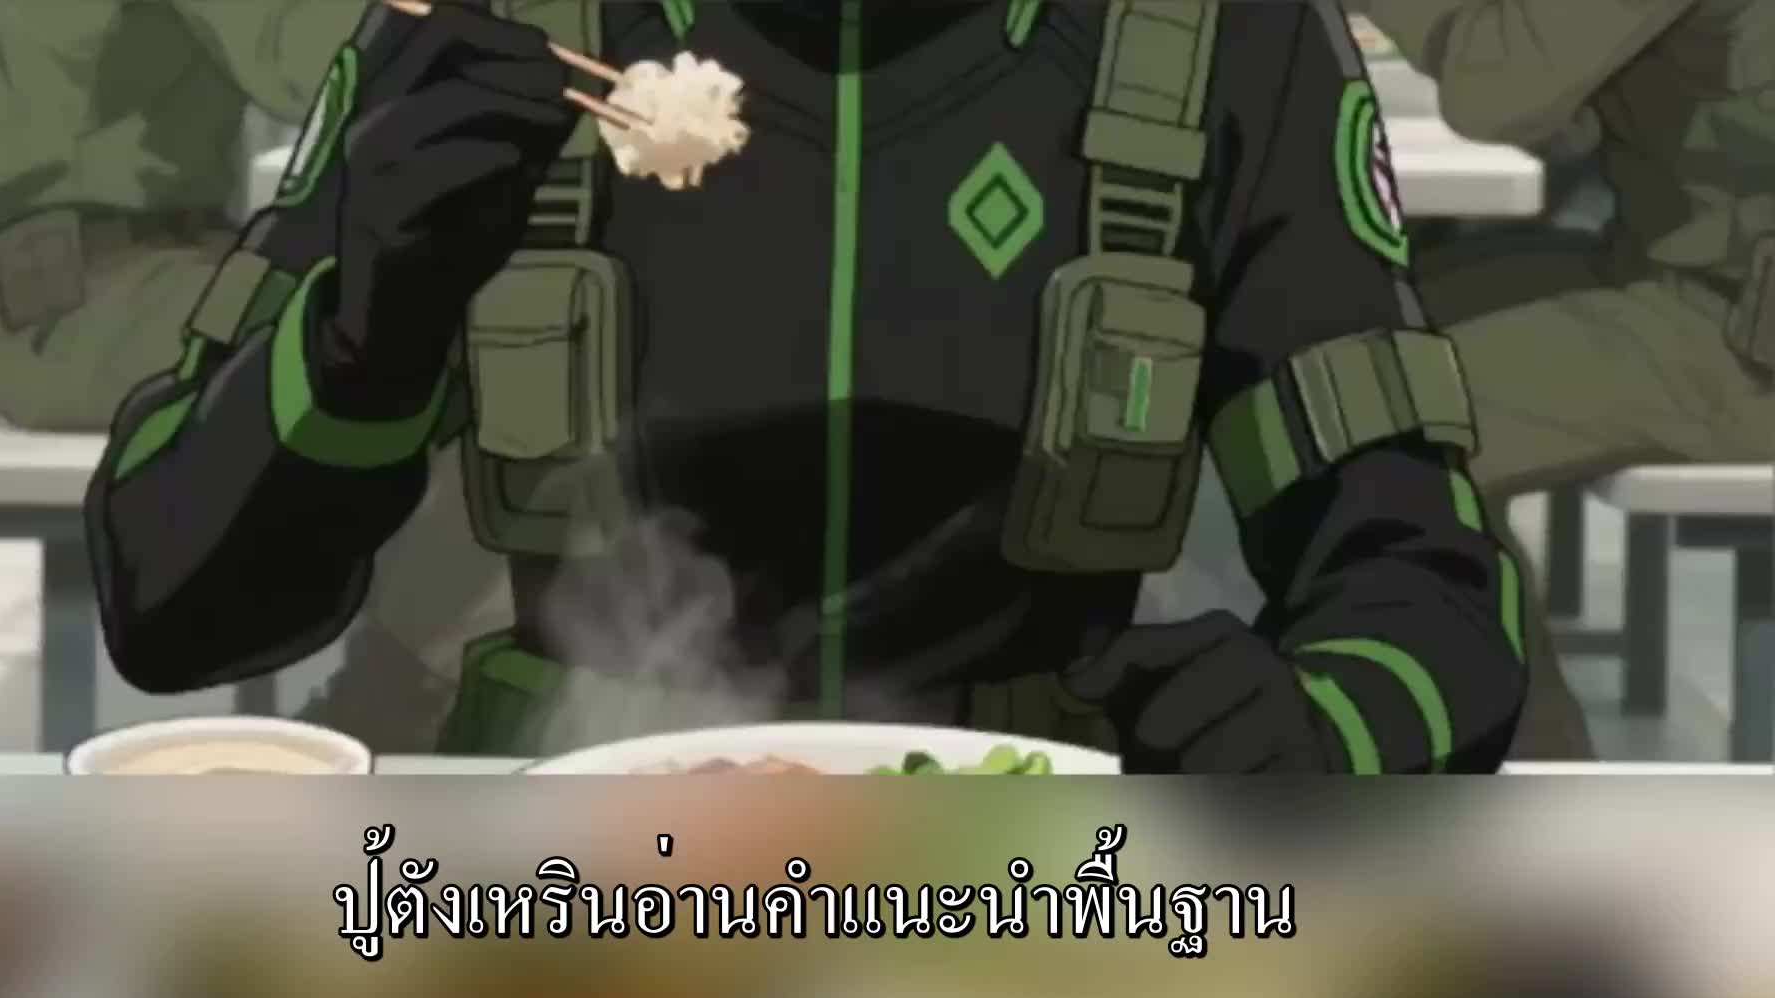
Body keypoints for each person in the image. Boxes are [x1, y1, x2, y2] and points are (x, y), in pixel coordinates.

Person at [84, 0, 1527, 773]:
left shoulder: (1216, 34)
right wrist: (360, 337)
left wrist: (1326, 733)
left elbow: (1417, 568)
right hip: (577, 878)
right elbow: (170, 604)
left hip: (1025, 883)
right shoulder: (499, 30)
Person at [0, 0, 513, 748]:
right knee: (453, 345)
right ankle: (402, 696)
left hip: (130, 266)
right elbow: (325, 53)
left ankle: (434, 663)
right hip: (76, 299)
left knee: (458, 302)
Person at [1350, 0, 1775, 758]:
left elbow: (1495, 90)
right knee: (1355, 326)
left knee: (1387, 418)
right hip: (1687, 281)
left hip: (1741, 342)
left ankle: (1527, 781)